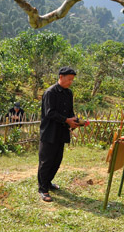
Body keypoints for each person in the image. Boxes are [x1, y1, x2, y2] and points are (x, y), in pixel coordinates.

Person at [37, 67, 80, 202]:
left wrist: (74, 121)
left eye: (72, 80)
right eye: (69, 79)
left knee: (57, 160)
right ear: (61, 77)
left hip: (61, 131)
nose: (70, 82)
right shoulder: (50, 92)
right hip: (49, 131)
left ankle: (48, 182)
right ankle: (43, 189)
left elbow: (69, 111)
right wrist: (66, 120)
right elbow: (49, 113)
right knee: (46, 161)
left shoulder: (69, 93)